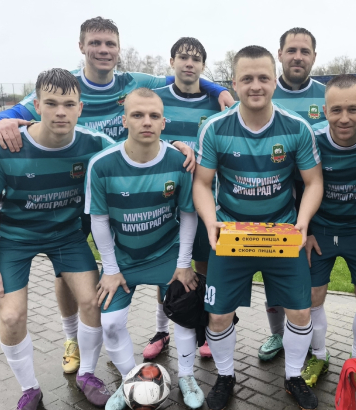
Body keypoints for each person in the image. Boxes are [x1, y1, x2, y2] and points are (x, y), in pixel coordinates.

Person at [0, 17, 233, 374]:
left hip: (124, 187)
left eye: (109, 44)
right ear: (81, 46)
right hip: (74, 192)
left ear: (119, 49)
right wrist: (3, 118)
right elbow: (23, 109)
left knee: (156, 248)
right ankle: (72, 338)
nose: (103, 50)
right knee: (65, 272)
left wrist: (217, 90)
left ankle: (164, 331)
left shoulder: (134, 81)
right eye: (95, 43)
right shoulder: (67, 86)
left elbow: (183, 77)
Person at [0, 68, 115, 410]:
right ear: (36, 106)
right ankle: (30, 389)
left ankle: (87, 374)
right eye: (51, 103)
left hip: (66, 236)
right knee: (11, 317)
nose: (60, 112)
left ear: (80, 108)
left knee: (93, 302)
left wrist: (178, 146)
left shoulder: (96, 145)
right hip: (14, 239)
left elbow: (139, 152)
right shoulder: (4, 147)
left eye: (69, 104)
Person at [193, 45, 323, 410]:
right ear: (234, 83)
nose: (256, 85)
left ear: (274, 81)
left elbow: (314, 182)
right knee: (218, 315)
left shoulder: (296, 127)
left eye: (263, 77)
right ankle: (225, 376)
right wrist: (211, 222)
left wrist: (302, 222)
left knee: (300, 312)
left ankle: (293, 376)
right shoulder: (215, 128)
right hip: (232, 235)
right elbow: (202, 183)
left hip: (282, 234)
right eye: (247, 78)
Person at [85, 88, 203, 410]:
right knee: (110, 323)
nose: (146, 121)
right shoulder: (102, 165)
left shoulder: (180, 162)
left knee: (185, 315)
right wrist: (110, 269)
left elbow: (188, 215)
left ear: (164, 123)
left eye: (154, 116)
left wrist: (183, 263)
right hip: (124, 259)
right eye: (137, 115)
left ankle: (187, 376)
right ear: (124, 120)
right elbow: (99, 221)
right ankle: (129, 382)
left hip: (168, 254)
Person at [299, 74, 356, 387]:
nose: (344, 118)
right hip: (320, 229)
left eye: (353, 109)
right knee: (312, 295)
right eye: (336, 110)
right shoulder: (311, 137)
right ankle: (319, 356)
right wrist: (306, 229)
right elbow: (297, 185)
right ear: (325, 111)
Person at [142, 37, 222, 362]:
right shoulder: (156, 99)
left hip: (206, 197)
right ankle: (162, 330)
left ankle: (204, 327)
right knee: (168, 266)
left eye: (196, 58)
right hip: (164, 199)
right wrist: (172, 143)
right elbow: (140, 136)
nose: (189, 63)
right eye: (183, 57)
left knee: (203, 264)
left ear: (203, 65)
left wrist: (219, 90)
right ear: (172, 61)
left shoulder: (216, 101)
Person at [259, 26, 328, 363]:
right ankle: (277, 334)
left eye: (305, 51)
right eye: (291, 50)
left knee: (308, 281)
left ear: (314, 56)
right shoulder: (265, 92)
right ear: (280, 54)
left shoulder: (327, 95)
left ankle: (313, 346)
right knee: (273, 277)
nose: (298, 57)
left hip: (319, 196)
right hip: (276, 198)